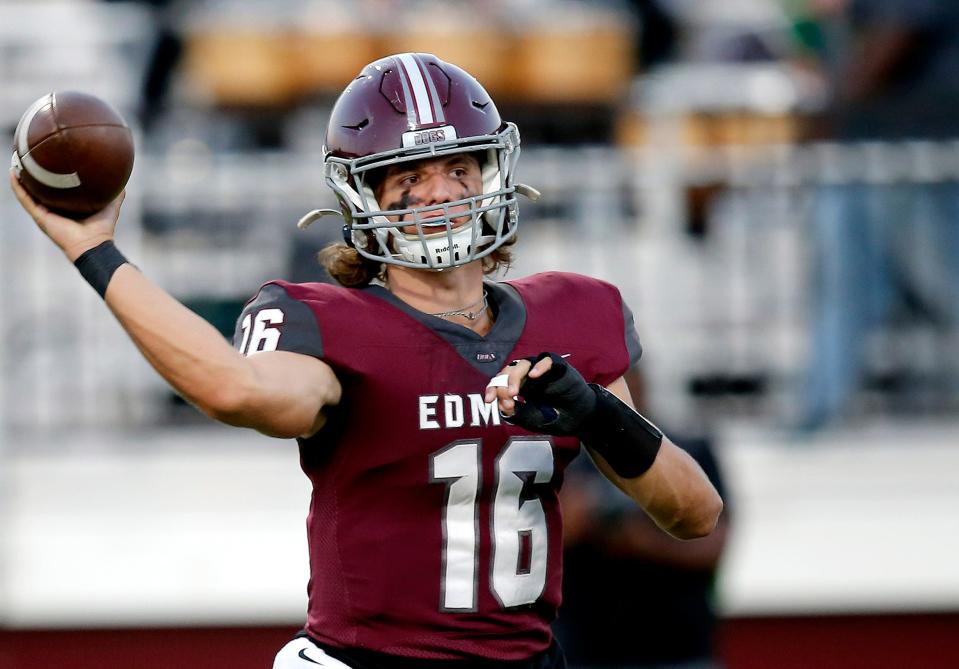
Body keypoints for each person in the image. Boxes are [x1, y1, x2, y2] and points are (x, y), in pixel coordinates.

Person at [10, 53, 723, 669]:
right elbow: (232, 389)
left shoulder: (574, 312)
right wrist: (93, 250)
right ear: (364, 194)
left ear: (492, 172)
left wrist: (598, 415)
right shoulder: (327, 321)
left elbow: (694, 514)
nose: (439, 192)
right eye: (408, 175)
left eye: (458, 166)